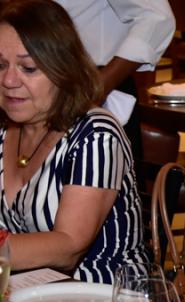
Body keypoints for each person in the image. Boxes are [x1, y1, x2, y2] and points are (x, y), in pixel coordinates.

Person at [0, 0, 148, 283]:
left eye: (28, 68)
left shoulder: (96, 133)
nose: (8, 80)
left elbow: (68, 246)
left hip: (104, 298)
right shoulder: (4, 128)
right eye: (0, 65)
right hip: (26, 295)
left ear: (63, 70)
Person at [53, 0, 175, 157]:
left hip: (93, 88)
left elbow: (158, 18)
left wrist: (101, 85)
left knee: (95, 167)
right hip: (41, 81)